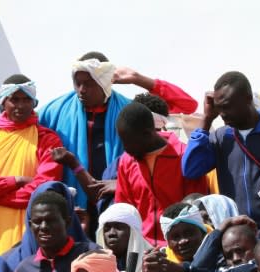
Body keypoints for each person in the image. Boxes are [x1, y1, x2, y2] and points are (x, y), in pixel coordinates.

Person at [38, 51, 198, 231]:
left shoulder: (130, 111)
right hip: (72, 210)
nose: (81, 90)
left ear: (105, 81)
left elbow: (188, 106)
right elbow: (18, 126)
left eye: (89, 83)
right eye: (78, 83)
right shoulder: (54, 111)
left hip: (118, 208)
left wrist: (138, 79)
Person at [0, 74, 64, 254]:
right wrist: (16, 180)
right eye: (14, 100)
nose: (20, 106)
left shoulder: (48, 140)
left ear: (34, 103)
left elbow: (43, 190)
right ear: (3, 102)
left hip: (28, 233)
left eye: (26, 99)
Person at [182, 71, 260, 233]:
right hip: (237, 234)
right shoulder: (221, 137)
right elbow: (191, 169)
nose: (222, 114)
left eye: (227, 106)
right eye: (219, 108)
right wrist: (207, 120)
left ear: (248, 98)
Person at [110, 102, 208, 245]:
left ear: (148, 134)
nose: (125, 148)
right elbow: (124, 211)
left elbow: (196, 210)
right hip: (141, 250)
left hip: (180, 248)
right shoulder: (126, 161)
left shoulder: (184, 157)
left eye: (129, 142)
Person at [2, 181, 90, 270]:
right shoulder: (10, 265)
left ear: (67, 220)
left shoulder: (91, 257)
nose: (44, 227)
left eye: (52, 219)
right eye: (38, 221)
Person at [142, 203, 211, 272]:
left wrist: (184, 271)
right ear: (167, 242)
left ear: (203, 233)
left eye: (189, 233)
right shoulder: (162, 263)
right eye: (175, 237)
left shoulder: (221, 251)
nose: (183, 241)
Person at [95, 202, 152, 272]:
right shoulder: (95, 265)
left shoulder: (152, 262)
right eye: (107, 229)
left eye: (119, 227)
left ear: (133, 232)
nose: (111, 233)